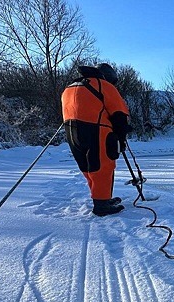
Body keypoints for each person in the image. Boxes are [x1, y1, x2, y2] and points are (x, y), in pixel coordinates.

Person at [61, 63, 132, 216]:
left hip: (71, 131)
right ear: (108, 77)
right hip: (97, 129)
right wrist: (121, 137)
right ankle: (101, 205)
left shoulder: (70, 87)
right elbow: (120, 115)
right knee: (102, 165)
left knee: (87, 166)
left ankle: (102, 199)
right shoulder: (103, 85)